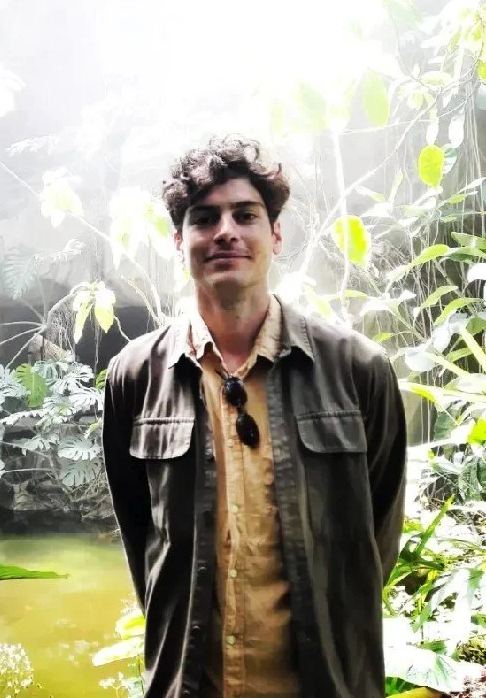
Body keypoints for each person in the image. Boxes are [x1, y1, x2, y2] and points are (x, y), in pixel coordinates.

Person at [101, 135, 406, 698]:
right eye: (204, 218)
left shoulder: (357, 370)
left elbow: (375, 539)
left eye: (246, 215)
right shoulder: (136, 375)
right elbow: (142, 535)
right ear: (179, 239)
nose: (225, 232)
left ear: (276, 234)